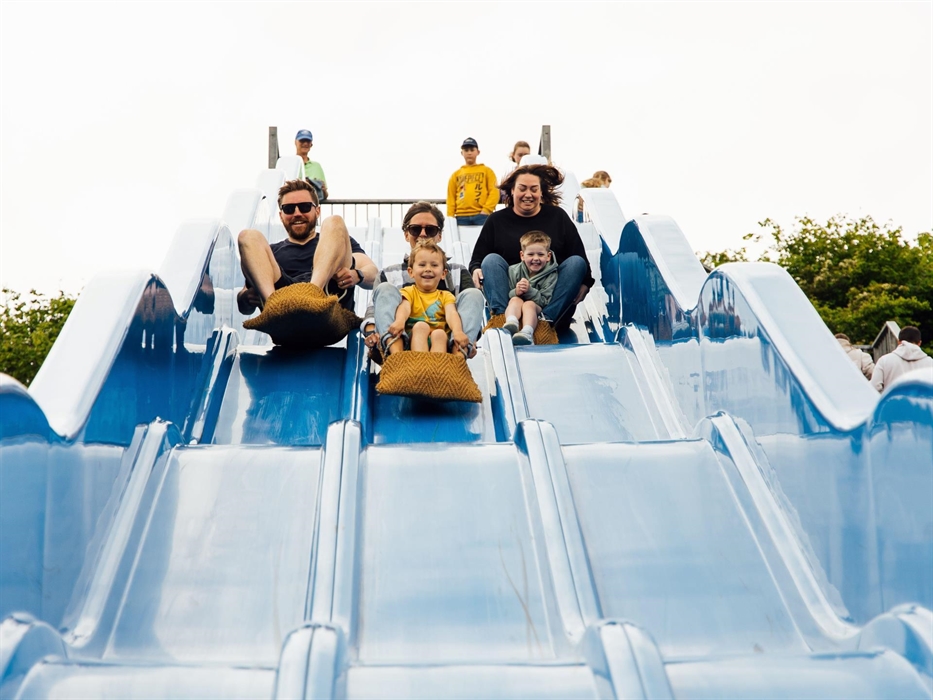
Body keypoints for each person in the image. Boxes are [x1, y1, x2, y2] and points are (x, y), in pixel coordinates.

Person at [469, 163, 594, 329]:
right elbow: (478, 258)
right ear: (512, 190)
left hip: (548, 294)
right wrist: (476, 268)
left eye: (534, 189)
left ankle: (545, 322)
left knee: (576, 263)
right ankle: (501, 319)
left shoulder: (557, 217)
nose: (528, 194)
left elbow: (579, 256)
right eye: (522, 188)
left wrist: (586, 283)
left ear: (541, 192)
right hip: (511, 297)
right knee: (490, 260)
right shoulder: (497, 220)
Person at [237, 179, 377, 316]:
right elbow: (244, 308)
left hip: (329, 298)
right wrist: (247, 298)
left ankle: (312, 292)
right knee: (247, 236)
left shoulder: (335, 241)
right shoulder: (272, 251)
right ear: (281, 216)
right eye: (289, 209)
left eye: (304, 207)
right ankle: (273, 307)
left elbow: (373, 273)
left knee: (335, 221)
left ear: (317, 211)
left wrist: (357, 275)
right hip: (283, 303)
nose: (297, 213)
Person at [362, 201, 484, 358]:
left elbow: (469, 310)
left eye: (431, 230)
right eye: (415, 229)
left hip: (446, 340)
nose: (423, 234)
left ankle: (457, 358)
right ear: (406, 234)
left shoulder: (457, 271)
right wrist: (372, 333)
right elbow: (375, 309)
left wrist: (470, 337)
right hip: (402, 338)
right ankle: (396, 355)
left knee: (474, 294)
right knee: (385, 289)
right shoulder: (389, 274)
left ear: (439, 235)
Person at [386, 240, 470, 355]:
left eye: (434, 265)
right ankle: (420, 362)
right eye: (422, 265)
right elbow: (404, 308)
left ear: (443, 274)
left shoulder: (445, 296)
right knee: (421, 326)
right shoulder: (409, 292)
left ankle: (436, 368)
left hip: (439, 342)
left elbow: (452, 314)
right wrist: (399, 321)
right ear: (411, 272)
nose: (428, 269)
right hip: (413, 341)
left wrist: (458, 331)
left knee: (440, 334)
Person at [502, 231, 559, 346]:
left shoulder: (551, 275)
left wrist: (529, 291)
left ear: (548, 256)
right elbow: (509, 294)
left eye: (541, 254)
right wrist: (516, 291)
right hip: (516, 306)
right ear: (522, 255)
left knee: (529, 304)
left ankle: (527, 332)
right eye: (531, 254)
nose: (536, 258)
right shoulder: (514, 270)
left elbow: (545, 301)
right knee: (514, 299)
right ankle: (511, 323)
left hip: (536, 309)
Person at [447, 137, 499, 227]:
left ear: (478, 152)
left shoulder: (487, 171)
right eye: (466, 150)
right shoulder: (456, 174)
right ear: (462, 153)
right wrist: (450, 217)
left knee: (484, 240)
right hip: (460, 217)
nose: (469, 153)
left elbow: (494, 191)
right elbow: (450, 197)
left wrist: (486, 210)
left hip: (482, 216)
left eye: (472, 150)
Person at [870, 326, 933, 392]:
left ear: (899, 342)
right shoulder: (930, 362)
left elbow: (874, 387)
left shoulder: (884, 360)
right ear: (919, 343)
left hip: (893, 401)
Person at [295, 129, 328, 201]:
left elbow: (324, 195)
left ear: (311, 144)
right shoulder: (291, 164)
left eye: (308, 141)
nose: (305, 143)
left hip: (311, 207)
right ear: (295, 142)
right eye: (302, 141)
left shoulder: (317, 166)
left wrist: (322, 189)